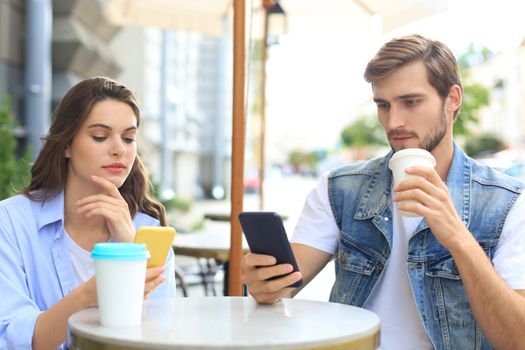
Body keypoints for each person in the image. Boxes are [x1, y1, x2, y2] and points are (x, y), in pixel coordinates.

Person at [241, 34, 525, 349]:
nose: (394, 122)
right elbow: (282, 286)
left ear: (452, 99)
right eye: (383, 105)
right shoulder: (341, 190)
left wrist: (458, 237)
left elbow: (517, 338)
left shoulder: (507, 203)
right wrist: (263, 282)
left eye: (411, 102)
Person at [0, 76, 176, 350]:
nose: (119, 149)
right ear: (67, 144)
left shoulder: (148, 232)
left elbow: (158, 340)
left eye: (129, 138)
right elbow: (14, 339)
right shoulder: (11, 222)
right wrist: (92, 294)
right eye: (100, 136)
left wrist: (130, 247)